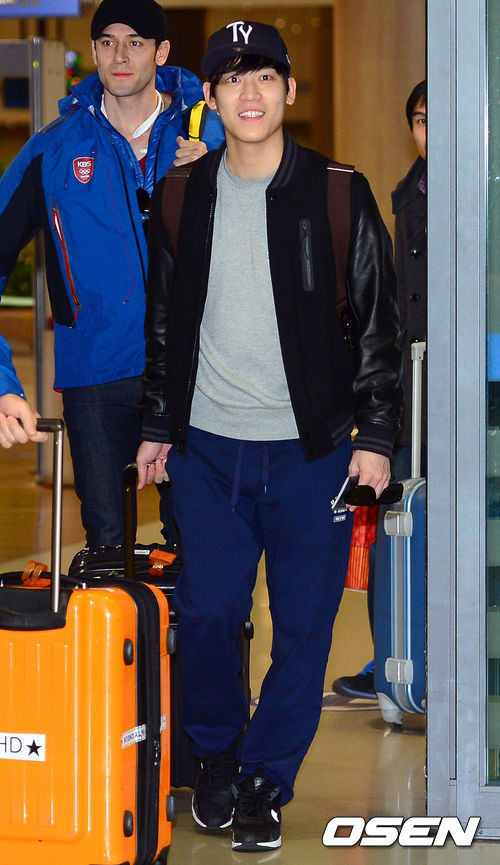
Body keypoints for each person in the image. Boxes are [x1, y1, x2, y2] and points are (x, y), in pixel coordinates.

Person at [137, 21, 402, 852]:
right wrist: (156, 424)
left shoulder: (337, 191)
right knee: (209, 613)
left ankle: (264, 779)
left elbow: (379, 325)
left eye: (263, 77)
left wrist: (376, 433)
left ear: (289, 90)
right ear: (211, 99)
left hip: (311, 452)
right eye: (231, 79)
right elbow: (163, 322)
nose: (248, 93)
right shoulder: (183, 195)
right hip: (208, 449)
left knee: (304, 628)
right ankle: (216, 756)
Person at [0, 0, 224, 564]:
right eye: (107, 42)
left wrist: (217, 175)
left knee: (206, 554)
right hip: (97, 377)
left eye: (136, 42)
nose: (120, 55)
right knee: (106, 554)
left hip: (201, 373)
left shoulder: (214, 133)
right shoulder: (54, 149)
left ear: (162, 52)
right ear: (94, 50)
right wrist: (4, 381)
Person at [332, 80, 427, 701]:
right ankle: (394, 656)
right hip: (409, 385)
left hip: (463, 388)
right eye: (420, 120)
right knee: (397, 521)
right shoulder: (404, 196)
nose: (429, 133)